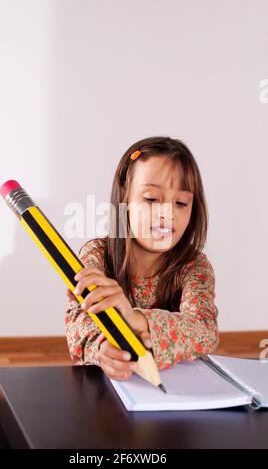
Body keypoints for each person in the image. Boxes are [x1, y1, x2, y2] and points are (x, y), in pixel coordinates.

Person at [65, 136, 219, 381]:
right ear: (124, 200)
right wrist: (103, 350)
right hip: (108, 387)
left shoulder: (195, 266)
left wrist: (136, 319)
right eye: (151, 199)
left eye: (181, 203)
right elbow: (79, 320)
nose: (167, 213)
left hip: (173, 388)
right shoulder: (97, 254)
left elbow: (205, 331)